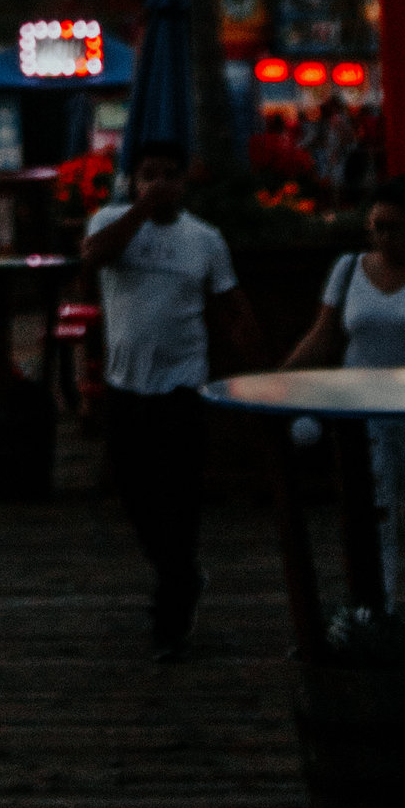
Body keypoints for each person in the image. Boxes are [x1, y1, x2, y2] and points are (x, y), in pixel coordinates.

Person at [82, 137, 257, 660]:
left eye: (169, 175)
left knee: (178, 497)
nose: (159, 183)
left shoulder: (204, 240)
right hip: (125, 384)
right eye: (148, 174)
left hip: (182, 385)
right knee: (134, 492)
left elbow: (232, 306)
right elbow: (92, 259)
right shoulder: (111, 225)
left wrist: (256, 363)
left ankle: (172, 611)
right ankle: (180, 574)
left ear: (185, 182)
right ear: (133, 182)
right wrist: (140, 210)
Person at [282, 170, 405, 600]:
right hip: (360, 410)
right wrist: (278, 378)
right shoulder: (348, 270)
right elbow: (323, 334)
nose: (383, 238)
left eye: (393, 228)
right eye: (376, 227)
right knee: (372, 508)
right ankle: (379, 601)